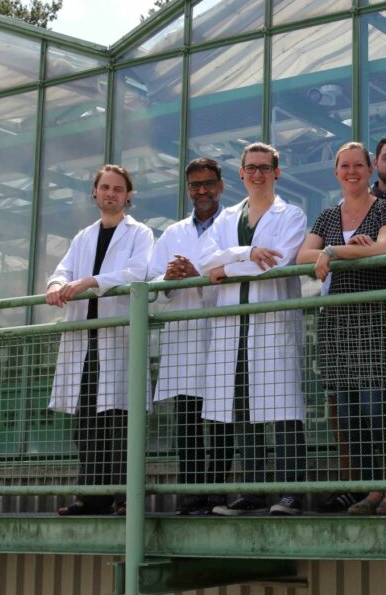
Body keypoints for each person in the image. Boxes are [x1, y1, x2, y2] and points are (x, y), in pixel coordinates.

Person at [198, 142, 309, 516]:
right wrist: (246, 254)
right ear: (241, 174)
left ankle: (291, 492)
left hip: (271, 324)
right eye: (251, 168)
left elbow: (276, 263)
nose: (257, 173)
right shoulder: (226, 218)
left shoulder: (291, 215)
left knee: (282, 412)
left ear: (276, 173)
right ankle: (253, 491)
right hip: (233, 328)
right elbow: (203, 260)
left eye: (265, 167)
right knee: (241, 407)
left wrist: (224, 269)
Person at [297, 142, 386, 515]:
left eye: (359, 165)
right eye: (345, 166)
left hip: (374, 319)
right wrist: (341, 248)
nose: (352, 171)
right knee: (349, 412)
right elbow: (302, 256)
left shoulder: (385, 207)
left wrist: (333, 252)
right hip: (337, 324)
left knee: (378, 409)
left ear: (371, 168)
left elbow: (384, 247)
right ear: (336, 172)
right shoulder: (328, 216)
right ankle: (368, 488)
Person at [46, 165, 154, 516]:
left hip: (118, 337)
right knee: (87, 421)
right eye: (104, 187)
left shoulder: (140, 234)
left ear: (128, 196)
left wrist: (89, 281)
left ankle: (125, 498)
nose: (110, 194)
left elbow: (139, 272)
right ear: (95, 193)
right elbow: (62, 271)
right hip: (84, 340)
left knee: (120, 422)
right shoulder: (83, 237)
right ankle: (92, 498)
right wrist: (54, 285)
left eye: (118, 189)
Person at [148, 158, 224, 515]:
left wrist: (197, 276)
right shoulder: (172, 233)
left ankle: (218, 494)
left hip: (220, 335)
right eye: (195, 185)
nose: (202, 191)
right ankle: (192, 496)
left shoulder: (231, 226)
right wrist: (168, 279)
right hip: (184, 341)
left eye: (208, 183)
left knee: (222, 422)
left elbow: (234, 278)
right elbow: (150, 287)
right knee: (189, 425)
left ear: (221, 186)